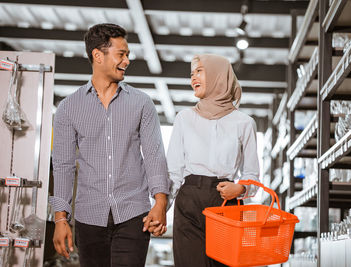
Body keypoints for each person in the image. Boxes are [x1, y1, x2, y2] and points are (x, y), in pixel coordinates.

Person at [50, 23, 169, 267]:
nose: (127, 60)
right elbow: (63, 165)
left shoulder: (142, 103)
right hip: (88, 216)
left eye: (128, 55)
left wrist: (160, 202)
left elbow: (154, 155)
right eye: (121, 54)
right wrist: (60, 219)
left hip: (134, 214)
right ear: (98, 55)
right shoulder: (68, 108)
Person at [167, 54, 260, 267]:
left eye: (199, 71)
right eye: (191, 74)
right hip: (189, 201)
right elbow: (174, 171)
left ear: (219, 75)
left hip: (226, 201)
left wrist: (242, 190)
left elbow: (252, 175)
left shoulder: (244, 123)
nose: (193, 78)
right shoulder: (184, 118)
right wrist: (161, 208)